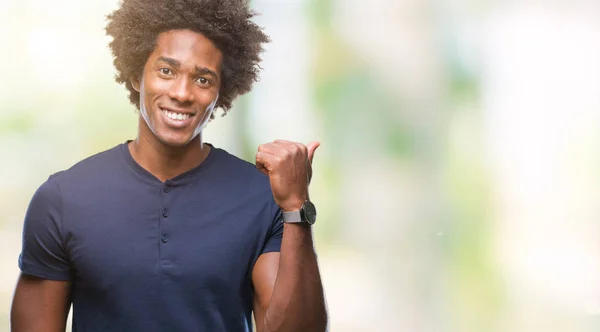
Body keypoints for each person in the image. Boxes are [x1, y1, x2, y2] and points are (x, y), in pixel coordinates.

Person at [10, 0, 328, 331]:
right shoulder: (63, 199)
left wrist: (295, 207)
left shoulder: (262, 198)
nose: (182, 92)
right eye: (166, 71)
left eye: (203, 79)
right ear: (136, 75)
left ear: (221, 92)